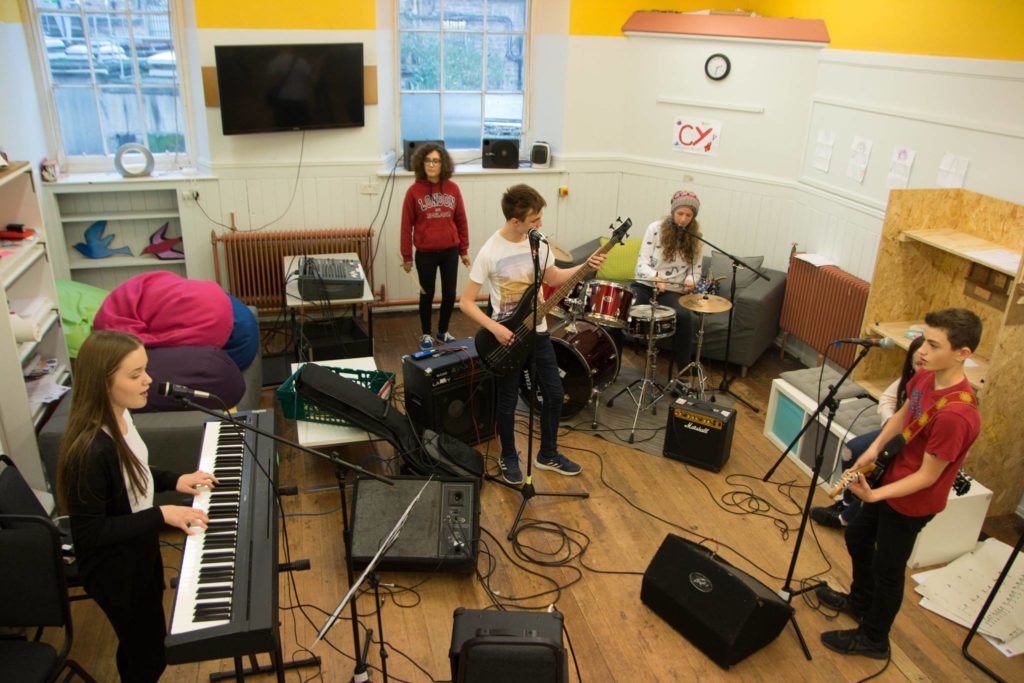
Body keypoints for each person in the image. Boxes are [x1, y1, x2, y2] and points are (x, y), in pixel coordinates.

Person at [817, 308, 983, 660]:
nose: (921, 351)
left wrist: (874, 493)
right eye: (922, 340)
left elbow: (927, 476)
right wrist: (875, 447)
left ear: (962, 354)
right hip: (891, 480)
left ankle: (875, 639)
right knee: (858, 535)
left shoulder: (957, 415)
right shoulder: (927, 376)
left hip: (912, 501)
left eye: (934, 345)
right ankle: (860, 601)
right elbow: (907, 412)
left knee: (888, 569)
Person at [57, 330, 217, 682]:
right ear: (103, 382)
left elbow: (136, 472)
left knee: (140, 645)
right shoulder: (89, 451)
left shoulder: (122, 417)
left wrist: (174, 480)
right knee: (150, 657)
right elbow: (91, 532)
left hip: (138, 551)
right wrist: (162, 513)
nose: (148, 381)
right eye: (135, 375)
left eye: (145, 370)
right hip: (115, 570)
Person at [459, 184, 605, 484]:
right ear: (515, 221)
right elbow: (465, 302)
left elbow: (552, 277)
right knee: (508, 401)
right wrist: (495, 328)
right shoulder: (490, 252)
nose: (540, 224)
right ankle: (509, 455)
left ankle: (548, 454)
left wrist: (583, 267)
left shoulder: (539, 244)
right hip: (507, 337)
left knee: (554, 394)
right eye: (534, 220)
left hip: (538, 332)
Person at [811, 334, 926, 529]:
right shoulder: (914, 378)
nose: (922, 357)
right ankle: (847, 502)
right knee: (852, 450)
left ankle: (845, 518)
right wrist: (890, 423)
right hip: (896, 435)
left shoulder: (936, 389)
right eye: (917, 355)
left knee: (878, 474)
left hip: (912, 445)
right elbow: (888, 399)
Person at [400, 143, 471, 350]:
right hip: (425, 253)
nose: (432, 165)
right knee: (426, 294)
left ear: (443, 164)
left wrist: (463, 250)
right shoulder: (413, 192)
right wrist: (406, 256)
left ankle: (442, 330)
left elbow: (461, 220)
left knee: (450, 293)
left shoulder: (453, 189)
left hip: (450, 250)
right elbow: (406, 226)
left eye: (436, 161)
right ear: (422, 163)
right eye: (428, 160)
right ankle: (425, 334)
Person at [633, 190, 702, 382]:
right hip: (646, 285)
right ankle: (611, 362)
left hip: (672, 290)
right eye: (680, 213)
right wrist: (655, 277)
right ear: (673, 212)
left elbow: (696, 271)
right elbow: (641, 265)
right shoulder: (655, 229)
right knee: (626, 311)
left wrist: (691, 281)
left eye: (688, 215)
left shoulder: (696, 237)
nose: (683, 219)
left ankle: (683, 371)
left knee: (684, 316)